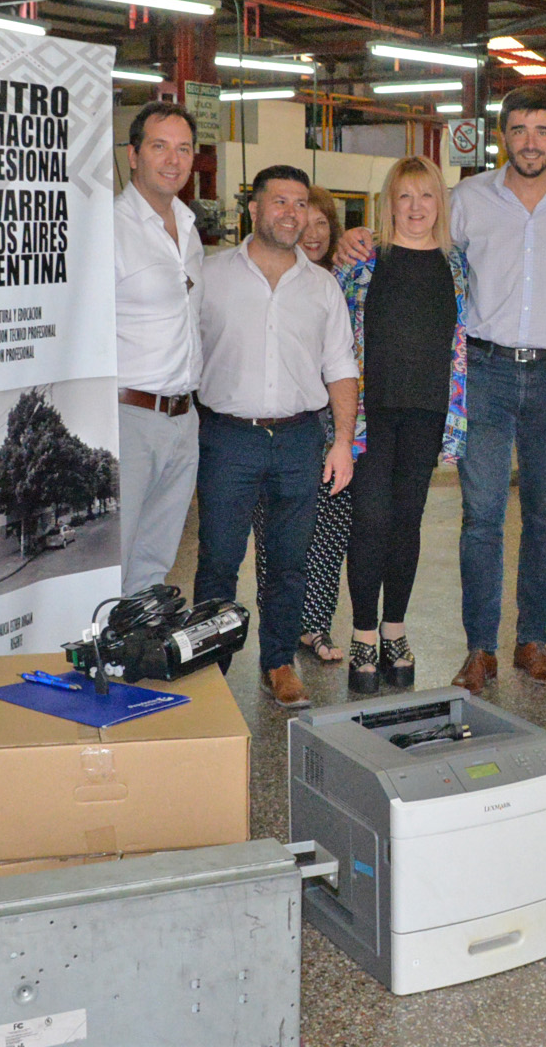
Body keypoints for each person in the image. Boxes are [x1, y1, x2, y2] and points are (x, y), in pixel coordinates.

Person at [340, 86, 546, 692]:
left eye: (542, 130)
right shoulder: (468, 199)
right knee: (481, 516)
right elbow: (406, 228)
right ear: (502, 136)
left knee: (543, 515)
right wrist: (351, 238)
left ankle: (530, 640)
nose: (530, 141)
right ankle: (479, 648)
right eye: (519, 129)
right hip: (485, 372)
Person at [195, 165, 358, 708]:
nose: (292, 213)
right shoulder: (211, 275)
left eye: (300, 203)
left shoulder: (322, 286)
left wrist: (341, 441)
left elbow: (340, 367)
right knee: (218, 560)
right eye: (280, 202)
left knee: (290, 560)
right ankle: (209, 668)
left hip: (298, 440)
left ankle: (279, 663)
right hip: (228, 438)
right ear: (254, 209)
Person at [336, 157, 470, 695]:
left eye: (426, 196)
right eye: (405, 197)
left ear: (440, 204)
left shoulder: (456, 265)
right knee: (370, 519)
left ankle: (395, 629)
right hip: (370, 414)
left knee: (407, 522)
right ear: (388, 204)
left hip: (428, 411)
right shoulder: (363, 261)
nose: (416, 208)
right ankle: (363, 633)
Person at [255, 184, 350, 665]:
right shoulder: (268, 276)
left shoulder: (346, 278)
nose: (312, 233)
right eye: (303, 222)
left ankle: (314, 625)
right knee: (274, 533)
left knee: (329, 530)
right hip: (279, 426)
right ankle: (277, 629)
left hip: (336, 428)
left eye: (322, 224)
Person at [113, 102, 203, 595]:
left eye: (183, 148)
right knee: (114, 555)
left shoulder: (188, 229)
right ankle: (101, 642)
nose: (173, 160)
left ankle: (138, 637)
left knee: (155, 560)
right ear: (133, 155)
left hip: (184, 418)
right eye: (159, 146)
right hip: (128, 417)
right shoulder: (109, 227)